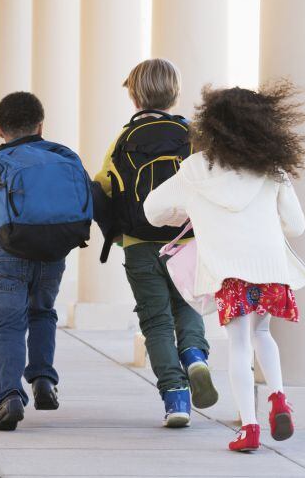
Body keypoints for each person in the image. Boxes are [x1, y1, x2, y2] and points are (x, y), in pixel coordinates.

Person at [144, 81, 305, 452]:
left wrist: (188, 211)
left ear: (212, 124)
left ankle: (249, 427)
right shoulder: (272, 168)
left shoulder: (195, 168)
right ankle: (279, 399)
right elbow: (296, 225)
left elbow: (152, 210)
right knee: (263, 334)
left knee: (237, 344)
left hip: (228, 270)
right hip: (269, 266)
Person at [93, 59, 217, 427]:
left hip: (139, 242)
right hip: (187, 241)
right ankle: (195, 355)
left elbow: (104, 185)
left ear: (133, 96)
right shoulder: (193, 135)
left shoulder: (124, 138)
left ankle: (176, 399)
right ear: (175, 94)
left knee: (156, 321)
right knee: (188, 307)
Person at [0, 92, 86, 430]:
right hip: (53, 251)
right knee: (43, 312)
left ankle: (10, 397)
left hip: (9, 252)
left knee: (10, 325)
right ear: (41, 125)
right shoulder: (62, 158)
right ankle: (43, 379)